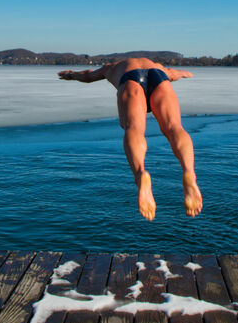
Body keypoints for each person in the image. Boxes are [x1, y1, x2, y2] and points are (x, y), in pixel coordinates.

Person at [58, 57, 202, 221]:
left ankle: (140, 174)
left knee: (134, 128)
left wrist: (72, 75)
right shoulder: (157, 65)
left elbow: (89, 76)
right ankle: (189, 172)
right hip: (160, 77)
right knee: (174, 127)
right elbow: (173, 74)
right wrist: (184, 74)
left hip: (130, 79)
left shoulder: (112, 67)